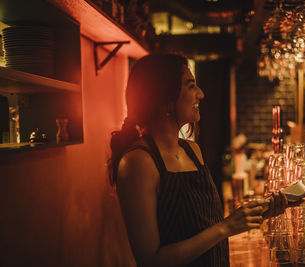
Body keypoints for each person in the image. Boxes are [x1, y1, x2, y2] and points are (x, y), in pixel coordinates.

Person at [108, 54, 290, 267]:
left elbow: (204, 228)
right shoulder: (138, 163)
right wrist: (227, 227)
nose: (201, 94)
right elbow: (151, 260)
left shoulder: (193, 150)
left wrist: (258, 213)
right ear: (165, 100)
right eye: (191, 86)